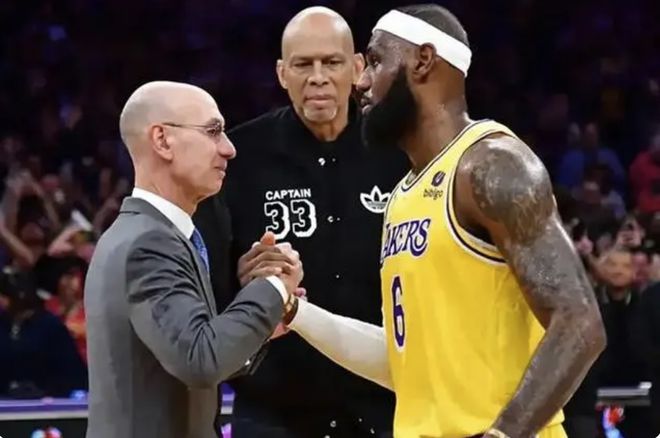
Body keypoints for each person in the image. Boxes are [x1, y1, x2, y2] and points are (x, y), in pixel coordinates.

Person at [250, 4, 607, 438]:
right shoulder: (402, 195)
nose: (361, 81)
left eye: (376, 61)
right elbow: (407, 365)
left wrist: (505, 433)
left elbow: (580, 323)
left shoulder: (492, 164)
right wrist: (296, 312)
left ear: (423, 61)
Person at [194, 6, 405, 437]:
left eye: (332, 62)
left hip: (385, 405)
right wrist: (240, 282)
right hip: (274, 410)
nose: (318, 77)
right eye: (303, 65)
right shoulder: (239, 157)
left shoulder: (401, 152)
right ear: (281, 73)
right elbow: (204, 282)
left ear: (358, 68)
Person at [84, 81, 302, 438]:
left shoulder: (152, 235)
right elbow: (199, 359)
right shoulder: (150, 243)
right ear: (162, 140)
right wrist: (274, 285)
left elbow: (180, 352)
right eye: (213, 131)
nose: (229, 148)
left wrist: (258, 327)